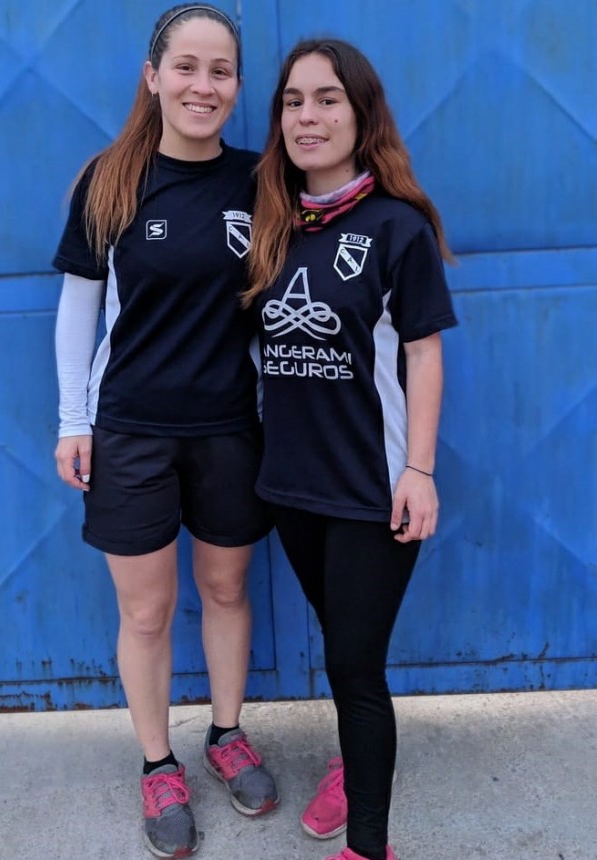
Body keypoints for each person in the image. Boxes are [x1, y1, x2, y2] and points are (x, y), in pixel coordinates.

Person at [51, 5, 278, 857]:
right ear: (153, 77)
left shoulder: (262, 183)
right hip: (133, 432)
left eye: (220, 71)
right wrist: (76, 419)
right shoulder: (108, 180)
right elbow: (77, 311)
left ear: (237, 88)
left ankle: (226, 735)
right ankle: (157, 763)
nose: (202, 85)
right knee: (146, 612)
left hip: (231, 427)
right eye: (185, 67)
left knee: (225, 590)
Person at [242, 38, 457, 860]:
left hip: (375, 490)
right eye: (293, 101)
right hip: (293, 487)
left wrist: (421, 471)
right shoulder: (270, 223)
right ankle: (352, 765)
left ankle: (369, 846)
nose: (309, 116)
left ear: (361, 114)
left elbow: (425, 354)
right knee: (342, 649)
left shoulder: (397, 227)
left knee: (357, 670)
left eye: (328, 98)